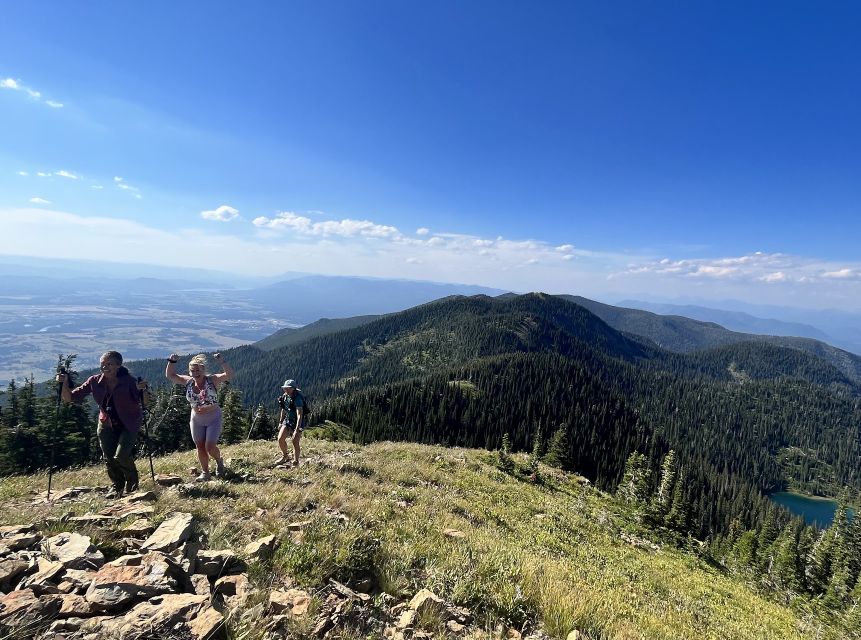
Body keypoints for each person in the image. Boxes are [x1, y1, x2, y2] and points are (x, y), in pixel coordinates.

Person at [57, 351, 148, 498]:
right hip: (106, 423)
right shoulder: (94, 381)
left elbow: (144, 402)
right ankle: (117, 487)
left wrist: (142, 390)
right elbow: (69, 398)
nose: (105, 367)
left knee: (122, 456)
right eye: (102, 365)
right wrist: (64, 383)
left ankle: (132, 486)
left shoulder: (130, 381)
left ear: (118, 365)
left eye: (109, 364)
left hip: (129, 423)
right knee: (109, 458)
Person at [165, 352, 233, 481]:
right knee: (200, 446)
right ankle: (205, 472)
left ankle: (219, 460)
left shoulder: (212, 380)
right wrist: (171, 362)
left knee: (210, 446)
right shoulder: (188, 381)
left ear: (203, 370)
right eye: (192, 370)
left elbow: (228, 375)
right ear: (190, 372)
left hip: (213, 417)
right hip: (196, 418)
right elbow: (170, 375)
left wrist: (222, 361)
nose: (195, 372)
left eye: (198, 370)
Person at [276, 379, 305, 467]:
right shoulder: (285, 396)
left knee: (295, 441)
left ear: (293, 388)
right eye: (285, 388)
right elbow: (283, 410)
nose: (286, 390)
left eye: (288, 388)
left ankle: (296, 461)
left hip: (297, 422)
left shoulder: (297, 398)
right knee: (280, 439)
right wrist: (281, 422)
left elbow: (299, 414)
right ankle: (285, 456)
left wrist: (296, 429)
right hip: (287, 420)